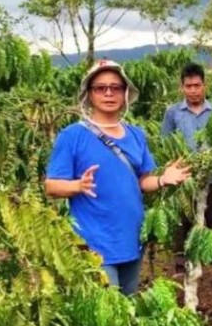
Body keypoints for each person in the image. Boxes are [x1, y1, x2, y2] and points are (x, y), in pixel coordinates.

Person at [45, 60, 191, 296]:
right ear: (89, 94)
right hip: (94, 243)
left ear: (125, 94)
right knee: (108, 309)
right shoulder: (72, 136)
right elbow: (51, 186)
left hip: (131, 240)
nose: (108, 93)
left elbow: (142, 181)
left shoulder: (136, 135)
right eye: (100, 88)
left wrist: (163, 179)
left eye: (115, 87)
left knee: (129, 304)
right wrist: (77, 185)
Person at [161, 63, 212, 273]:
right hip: (184, 178)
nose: (193, 90)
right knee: (183, 221)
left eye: (197, 85)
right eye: (188, 86)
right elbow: (166, 142)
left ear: (205, 85)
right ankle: (182, 264)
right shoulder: (173, 113)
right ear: (182, 87)